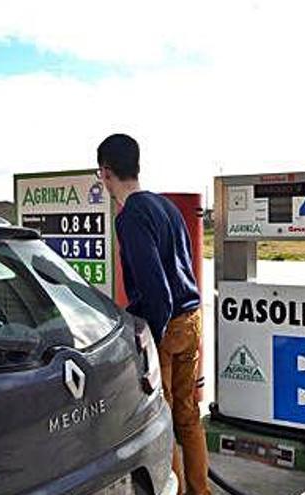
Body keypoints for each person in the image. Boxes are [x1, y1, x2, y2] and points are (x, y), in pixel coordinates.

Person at [96, 134, 211, 495]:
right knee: (188, 415)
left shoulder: (130, 217)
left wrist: (151, 341)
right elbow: (185, 266)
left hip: (166, 326)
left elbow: (155, 289)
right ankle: (199, 490)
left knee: (160, 419)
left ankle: (172, 490)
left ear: (105, 172)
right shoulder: (166, 208)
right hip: (192, 317)